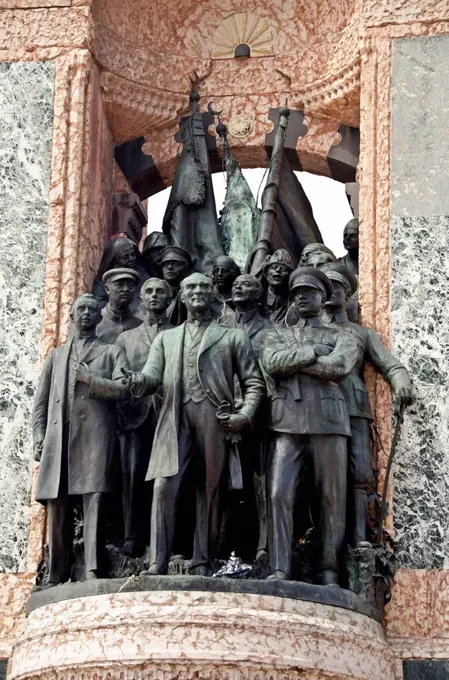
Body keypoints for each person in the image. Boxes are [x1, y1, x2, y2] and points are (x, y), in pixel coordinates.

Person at [124, 273, 266, 576]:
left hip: (215, 421)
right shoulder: (167, 338)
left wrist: (244, 416)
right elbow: (151, 376)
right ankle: (156, 562)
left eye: (203, 286)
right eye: (191, 287)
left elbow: (254, 384)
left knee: (209, 490)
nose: (197, 290)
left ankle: (203, 561)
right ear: (183, 297)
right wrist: (136, 380)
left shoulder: (232, 336)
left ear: (212, 293)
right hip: (175, 418)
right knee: (163, 487)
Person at [260, 267, 358, 585]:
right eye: (297, 293)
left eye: (309, 292)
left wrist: (296, 362)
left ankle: (329, 568)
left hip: (329, 422)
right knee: (278, 494)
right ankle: (280, 568)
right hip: (286, 422)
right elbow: (272, 364)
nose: (302, 297)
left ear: (322, 297)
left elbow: (340, 366)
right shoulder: (276, 333)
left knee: (331, 498)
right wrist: (311, 353)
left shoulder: (341, 335)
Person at [32, 294, 129, 586]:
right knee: (58, 504)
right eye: (81, 310)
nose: (86, 314)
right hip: (60, 436)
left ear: (100, 318)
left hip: (95, 436)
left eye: (92, 310)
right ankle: (57, 571)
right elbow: (41, 401)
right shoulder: (56, 356)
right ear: (72, 317)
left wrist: (92, 381)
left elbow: (124, 389)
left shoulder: (111, 351)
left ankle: (92, 567)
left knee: (94, 499)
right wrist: (39, 436)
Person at [322, 262, 413, 545]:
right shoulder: (305, 330)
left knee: (359, 471)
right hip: (318, 409)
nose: (333, 291)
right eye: (328, 286)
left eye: (339, 287)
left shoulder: (361, 333)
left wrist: (401, 383)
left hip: (353, 407)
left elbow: (390, 364)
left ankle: (360, 536)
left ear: (348, 295)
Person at [115, 278, 174, 557]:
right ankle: (132, 536)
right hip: (135, 414)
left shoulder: (178, 333)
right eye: (149, 291)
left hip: (169, 413)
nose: (154, 296)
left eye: (160, 292)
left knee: (168, 477)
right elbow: (118, 376)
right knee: (133, 474)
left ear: (170, 299)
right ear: (141, 298)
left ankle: (168, 539)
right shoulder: (126, 338)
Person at [225, 273, 273, 558]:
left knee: (259, 481)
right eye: (236, 285)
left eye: (247, 285)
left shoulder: (270, 331)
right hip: (223, 412)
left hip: (257, 414)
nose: (239, 288)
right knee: (225, 482)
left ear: (259, 295)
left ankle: (262, 545)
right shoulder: (220, 326)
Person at [92, 237, 142, 310]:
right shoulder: (101, 286)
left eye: (133, 254)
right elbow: (100, 310)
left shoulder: (143, 278)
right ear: (115, 261)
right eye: (125, 257)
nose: (131, 259)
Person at [96, 268, 142, 344]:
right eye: (119, 285)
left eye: (130, 286)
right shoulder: (95, 322)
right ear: (107, 289)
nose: (126, 289)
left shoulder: (139, 325)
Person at [161, 246, 193, 325]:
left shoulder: (191, 294)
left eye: (175, 264)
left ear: (185, 268)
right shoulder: (153, 292)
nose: (169, 267)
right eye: (165, 264)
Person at [264, 249, 294, 324]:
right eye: (274, 268)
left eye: (283, 269)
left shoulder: (293, 302)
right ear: (266, 274)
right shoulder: (257, 299)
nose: (277, 270)